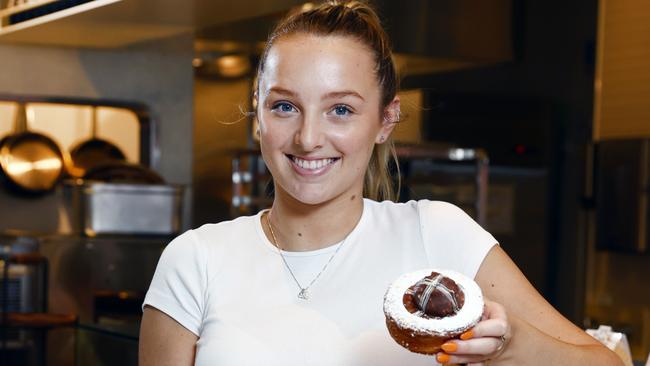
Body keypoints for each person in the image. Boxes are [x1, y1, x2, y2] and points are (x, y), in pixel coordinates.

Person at [139, 1, 623, 365]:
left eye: (341, 110)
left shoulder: (437, 234)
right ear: (258, 114)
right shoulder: (195, 259)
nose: (308, 138)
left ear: (385, 120)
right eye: (284, 106)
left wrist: (511, 344)